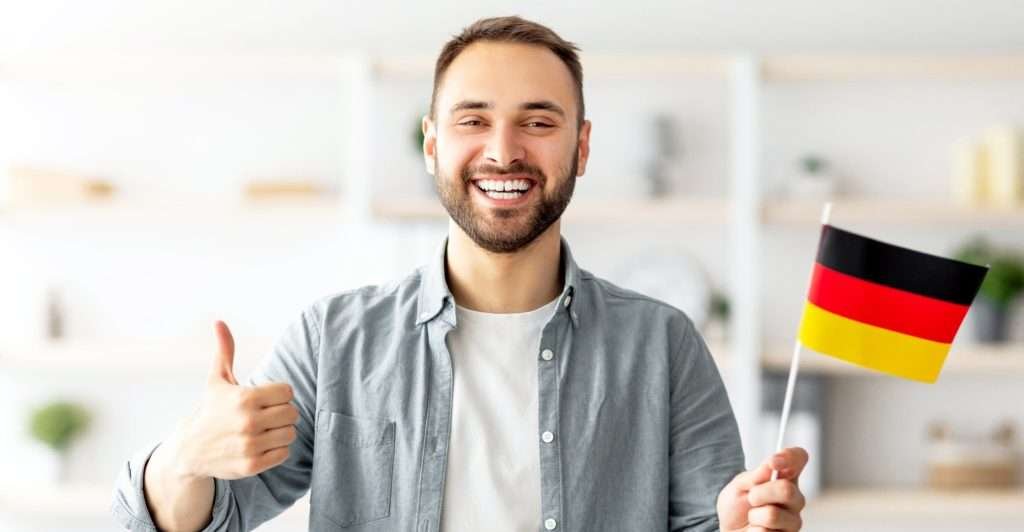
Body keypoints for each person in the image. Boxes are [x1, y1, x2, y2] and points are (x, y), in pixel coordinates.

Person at [112, 15, 808, 532]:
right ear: (432, 143)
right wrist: (184, 458)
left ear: (582, 145)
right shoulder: (332, 340)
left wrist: (745, 524)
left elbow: (715, 523)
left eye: (538, 122)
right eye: (474, 120)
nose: (503, 152)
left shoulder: (663, 344)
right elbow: (188, 521)